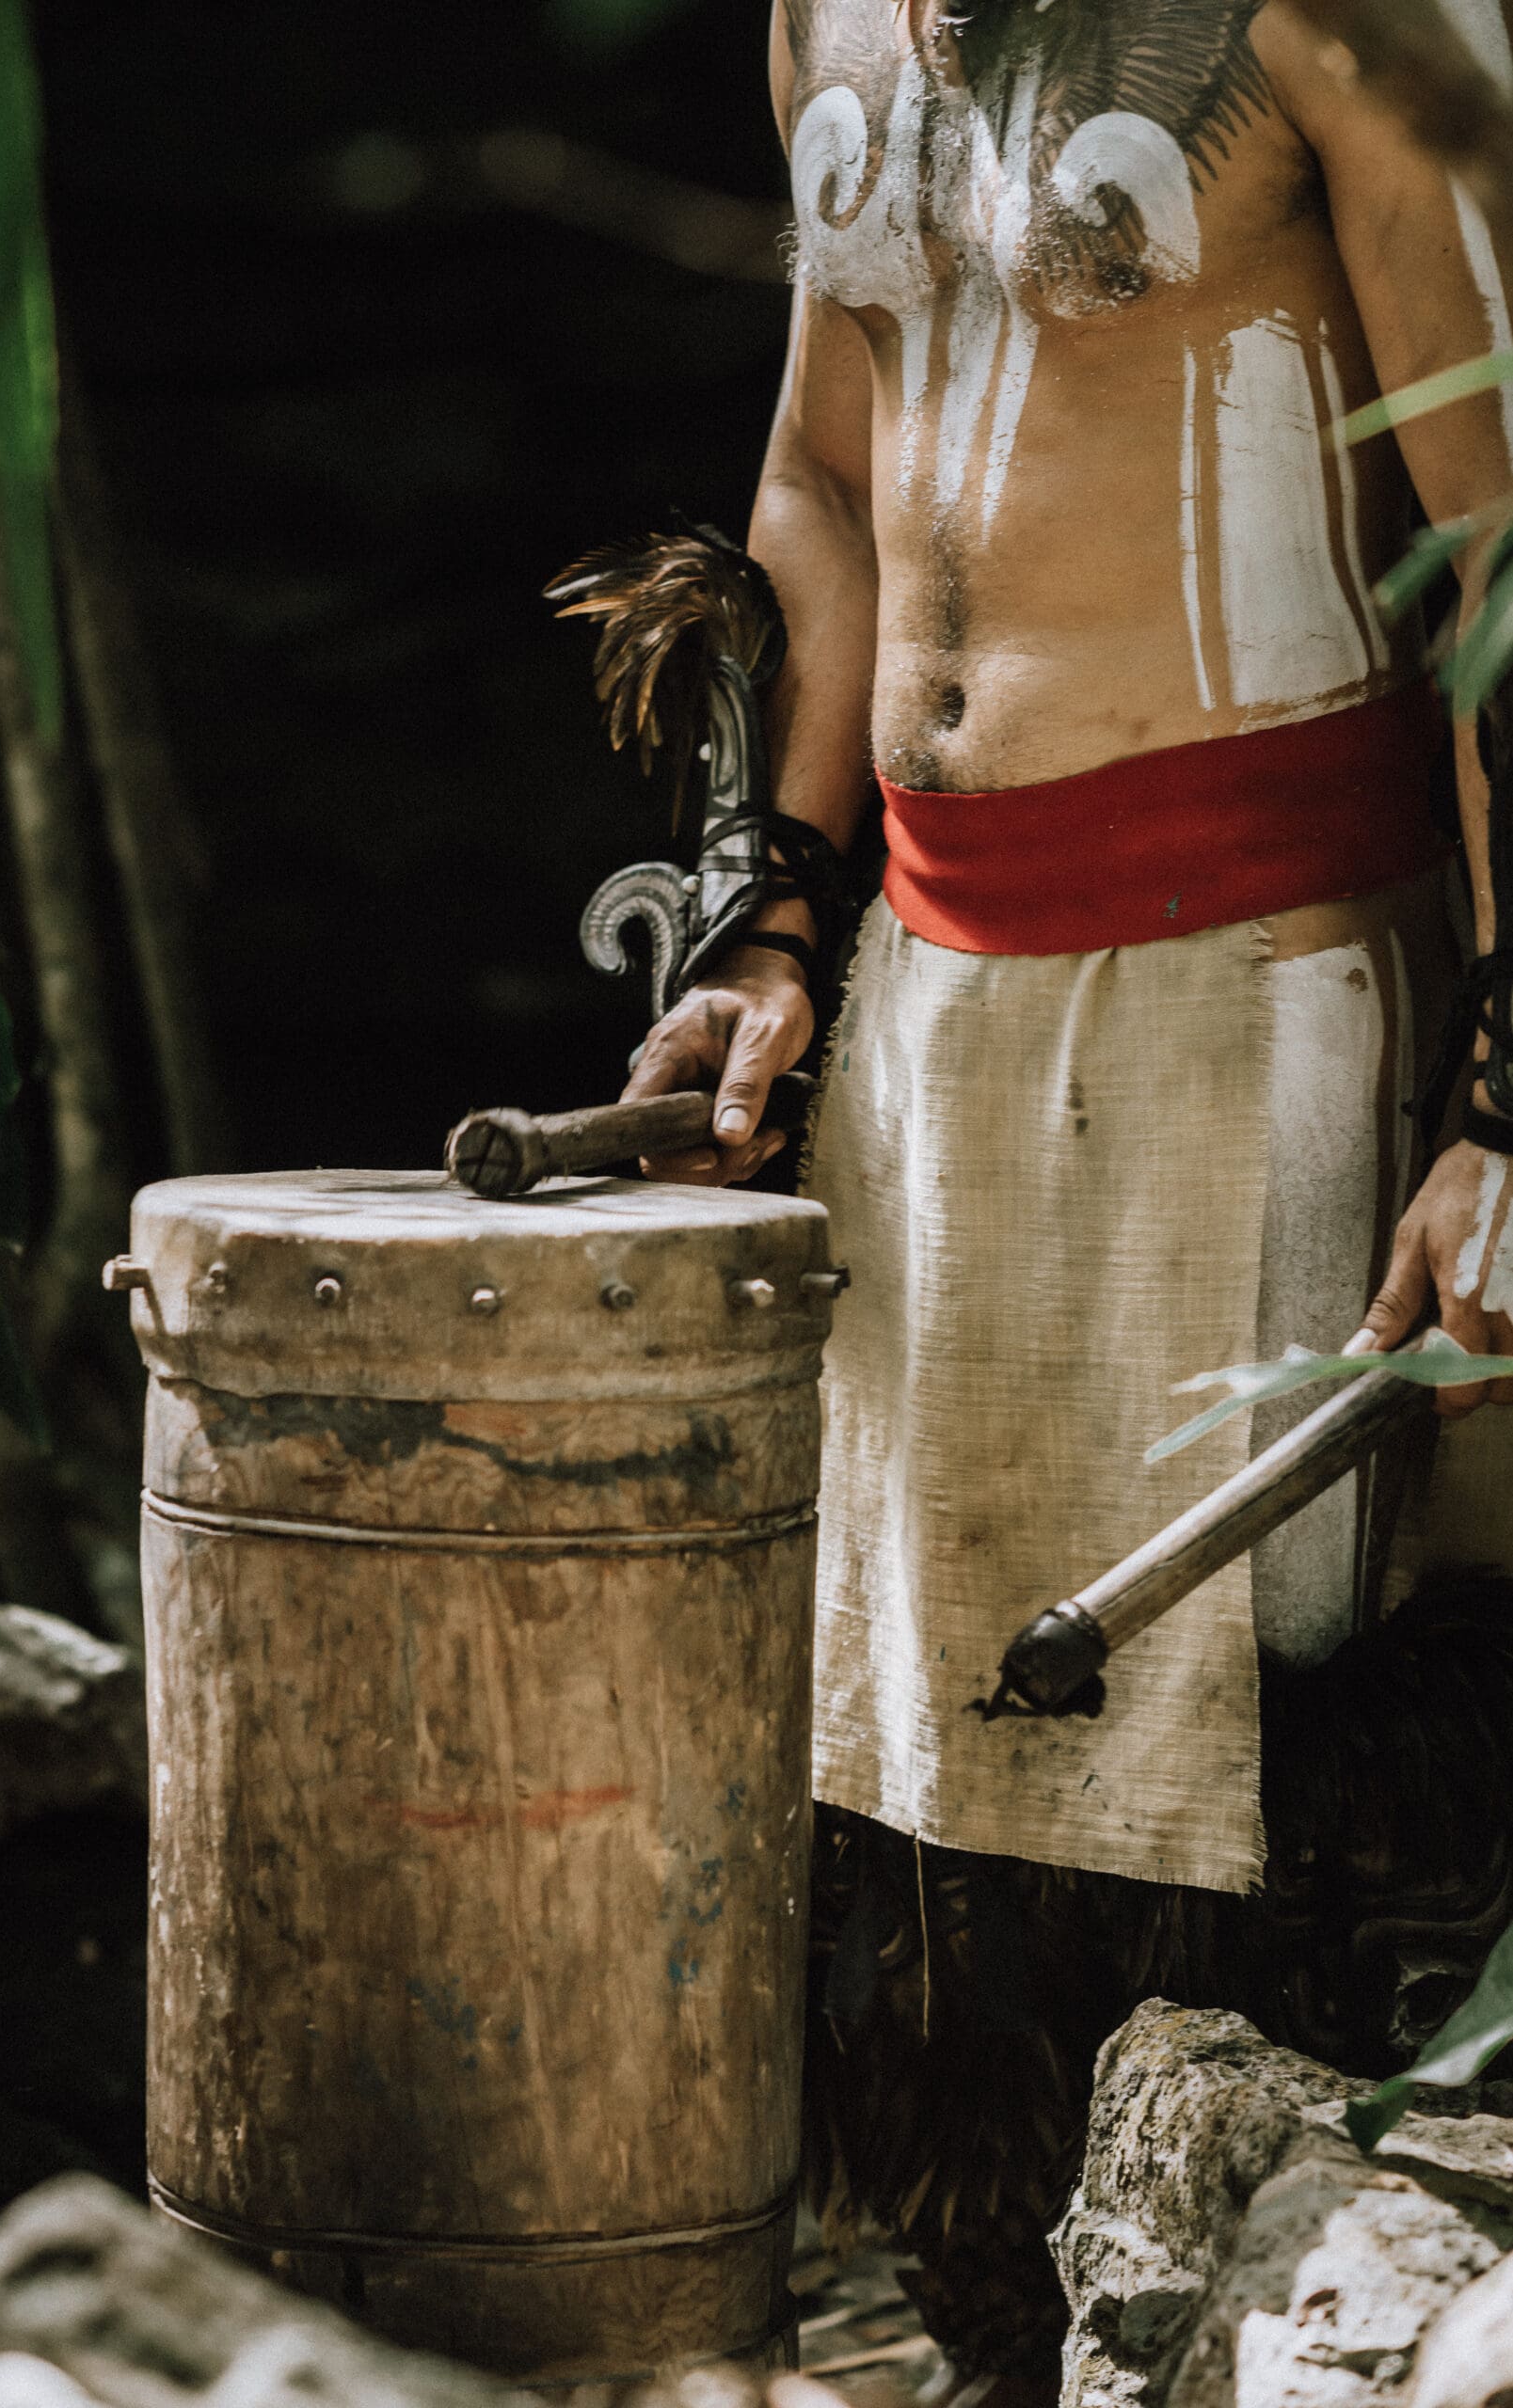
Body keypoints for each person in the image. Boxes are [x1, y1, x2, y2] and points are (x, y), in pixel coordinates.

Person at [614, 1, 1513, 2393]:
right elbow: (818, 464)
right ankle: (994, 2317)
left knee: (1247, 1730)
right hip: (928, 993)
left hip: (1267, 976)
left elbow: (1497, 531)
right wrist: (774, 916)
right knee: (931, 1768)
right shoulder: (831, 7)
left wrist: (1510, 1091)